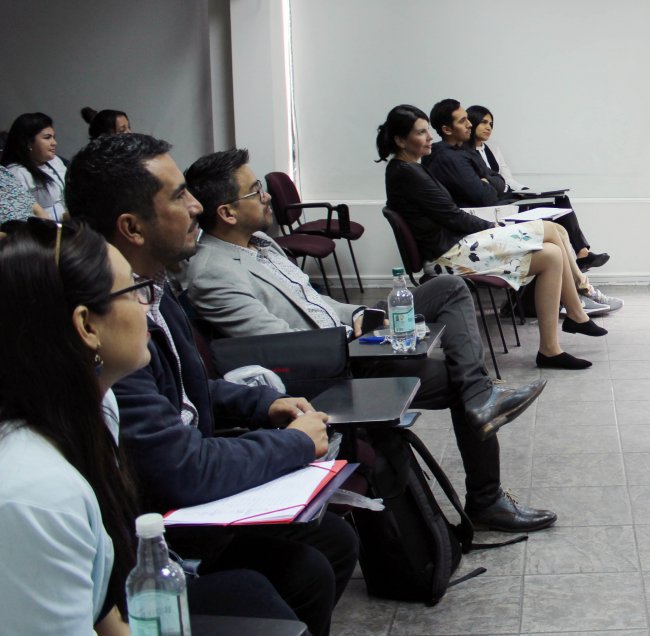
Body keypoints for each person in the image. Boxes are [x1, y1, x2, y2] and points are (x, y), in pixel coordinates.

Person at [65, 133, 357, 636]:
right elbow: (180, 469)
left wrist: (264, 404)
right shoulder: (112, 332)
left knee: (331, 542)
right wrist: (291, 444)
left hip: (177, 501)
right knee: (293, 572)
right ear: (131, 227)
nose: (197, 206)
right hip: (157, 534)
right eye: (179, 195)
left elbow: (185, 387)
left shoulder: (153, 285)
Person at [178, 148, 558, 532]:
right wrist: (352, 336)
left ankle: (481, 397)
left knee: (449, 288)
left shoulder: (261, 243)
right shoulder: (213, 272)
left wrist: (360, 315)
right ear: (226, 213)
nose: (266, 196)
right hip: (330, 370)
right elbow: (276, 344)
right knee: (459, 382)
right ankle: (486, 491)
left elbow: (316, 301)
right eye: (255, 190)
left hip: (347, 342)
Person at [0, 220, 299, 635]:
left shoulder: (97, 403)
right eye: (133, 292)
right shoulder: (36, 495)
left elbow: (103, 605)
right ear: (87, 326)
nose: (147, 307)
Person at [379, 104, 608, 370]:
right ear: (400, 140)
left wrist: (493, 222)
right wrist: (494, 226)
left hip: (456, 247)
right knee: (549, 228)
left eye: (428, 131)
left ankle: (551, 349)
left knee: (553, 253)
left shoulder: (410, 169)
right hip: (448, 256)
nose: (430, 137)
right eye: (421, 132)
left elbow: (463, 205)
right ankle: (576, 313)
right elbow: (453, 215)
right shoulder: (407, 173)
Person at [424, 99, 622, 313]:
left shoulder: (467, 151)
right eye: (465, 121)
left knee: (559, 217)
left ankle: (579, 293)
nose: (471, 125)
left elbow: (498, 180)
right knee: (554, 231)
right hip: (487, 219)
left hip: (494, 212)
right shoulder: (447, 157)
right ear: (446, 129)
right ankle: (579, 296)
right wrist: (490, 183)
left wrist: (490, 181)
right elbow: (486, 197)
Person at [466, 104, 610, 271]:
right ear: (472, 122)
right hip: (498, 204)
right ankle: (568, 263)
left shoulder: (493, 149)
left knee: (560, 199)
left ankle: (583, 252)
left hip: (510, 194)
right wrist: (498, 184)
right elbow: (488, 185)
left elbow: (507, 179)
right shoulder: (465, 153)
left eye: (491, 124)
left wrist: (528, 192)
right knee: (548, 212)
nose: (488, 127)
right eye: (483, 122)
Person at [1, 112, 67, 220]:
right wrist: (64, 217)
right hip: (45, 231)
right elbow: (23, 216)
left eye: (54, 137)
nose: (54, 143)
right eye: (47, 138)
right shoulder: (16, 173)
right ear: (28, 142)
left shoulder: (55, 161)